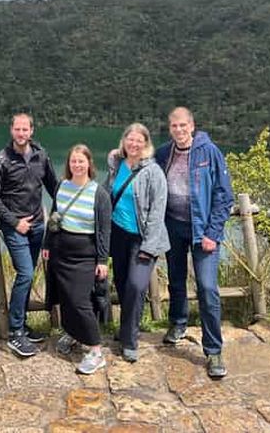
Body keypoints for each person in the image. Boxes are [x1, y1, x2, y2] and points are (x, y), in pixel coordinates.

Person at [155, 107, 234, 379]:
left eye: (183, 125)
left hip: (203, 232)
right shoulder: (163, 153)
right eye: (174, 126)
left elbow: (224, 196)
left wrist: (213, 233)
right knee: (176, 279)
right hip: (173, 226)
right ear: (169, 128)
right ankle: (178, 323)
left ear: (192, 126)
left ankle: (213, 350)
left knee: (207, 288)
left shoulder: (209, 152)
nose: (179, 130)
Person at [0, 113, 58, 357]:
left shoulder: (41, 155)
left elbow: (54, 187)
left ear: (32, 131)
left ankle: (22, 324)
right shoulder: (1, 160)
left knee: (27, 276)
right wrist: (15, 222)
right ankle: (15, 331)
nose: (21, 133)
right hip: (15, 227)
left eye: (25, 129)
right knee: (26, 273)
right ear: (11, 130)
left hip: (37, 225)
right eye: (17, 129)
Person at [104, 123, 170, 363]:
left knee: (136, 285)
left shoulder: (153, 172)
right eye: (129, 140)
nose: (133, 144)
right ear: (124, 141)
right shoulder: (117, 165)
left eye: (138, 141)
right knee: (122, 284)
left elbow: (157, 213)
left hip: (142, 238)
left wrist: (148, 248)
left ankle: (130, 341)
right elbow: (107, 192)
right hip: (118, 234)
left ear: (146, 144)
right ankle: (126, 328)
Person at [43, 145, 111, 375]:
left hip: (85, 256)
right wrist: (46, 244)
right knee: (66, 298)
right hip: (60, 252)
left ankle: (96, 351)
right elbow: (54, 218)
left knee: (80, 301)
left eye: (81, 161)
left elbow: (104, 230)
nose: (77, 165)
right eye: (73, 161)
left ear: (89, 164)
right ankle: (73, 334)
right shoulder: (61, 186)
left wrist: (102, 260)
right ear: (68, 164)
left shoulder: (99, 194)